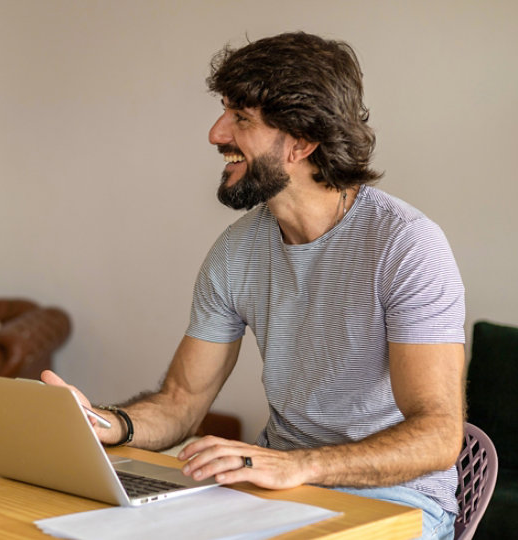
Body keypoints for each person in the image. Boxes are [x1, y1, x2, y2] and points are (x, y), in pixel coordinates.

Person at [43, 31, 465, 540]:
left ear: (302, 141)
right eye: (225, 111)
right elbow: (180, 401)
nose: (216, 133)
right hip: (273, 489)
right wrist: (107, 424)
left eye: (241, 118)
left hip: (396, 502)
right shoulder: (237, 251)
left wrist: (297, 465)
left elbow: (438, 435)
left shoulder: (405, 245)